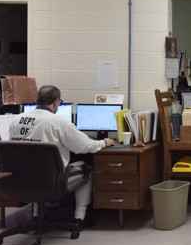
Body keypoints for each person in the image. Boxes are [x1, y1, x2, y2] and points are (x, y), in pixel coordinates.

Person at [9, 85, 115, 225]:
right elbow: (86, 146)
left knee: (33, 168)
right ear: (56, 102)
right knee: (86, 168)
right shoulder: (58, 122)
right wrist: (104, 142)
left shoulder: (16, 120)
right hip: (51, 181)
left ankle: (36, 215)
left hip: (22, 179)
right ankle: (79, 217)